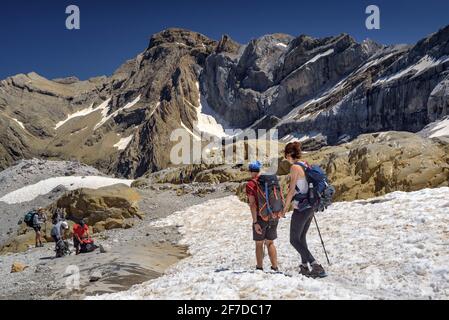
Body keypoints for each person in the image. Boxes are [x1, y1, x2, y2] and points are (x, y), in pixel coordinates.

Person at [282, 142, 327, 278]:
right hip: (310, 206)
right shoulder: (304, 164)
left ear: (290, 154)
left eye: (286, 156)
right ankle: (304, 267)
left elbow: (291, 191)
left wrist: (284, 209)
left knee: (294, 240)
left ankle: (315, 265)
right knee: (301, 237)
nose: (285, 158)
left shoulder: (295, 167)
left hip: (301, 207)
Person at [245, 160, 279, 272]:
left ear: (251, 171)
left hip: (260, 217)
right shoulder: (269, 180)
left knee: (259, 243)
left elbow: (252, 204)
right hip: (273, 215)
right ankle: (275, 267)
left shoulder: (250, 184)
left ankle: (259, 268)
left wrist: (255, 222)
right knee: (270, 242)